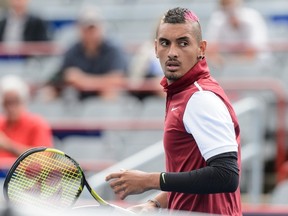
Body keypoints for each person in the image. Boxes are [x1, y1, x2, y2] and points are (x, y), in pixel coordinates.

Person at [105, 7, 241, 215]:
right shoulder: (182, 93)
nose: (172, 52)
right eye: (165, 43)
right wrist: (155, 203)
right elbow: (192, 174)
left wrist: (149, 180)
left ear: (201, 48)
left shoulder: (200, 98)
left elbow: (226, 176)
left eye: (183, 43)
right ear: (155, 47)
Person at [45, 7, 128, 101]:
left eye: (93, 29)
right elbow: (65, 75)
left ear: (101, 28)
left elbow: (117, 79)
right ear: (80, 30)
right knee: (49, 92)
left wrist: (83, 80)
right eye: (86, 29)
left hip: (103, 94)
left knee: (111, 92)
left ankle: (106, 115)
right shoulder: (72, 51)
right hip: (79, 94)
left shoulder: (113, 49)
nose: (90, 33)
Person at [0, 75, 53, 168]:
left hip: (26, 180)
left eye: (14, 102)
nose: (10, 108)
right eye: (7, 103)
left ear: (24, 101)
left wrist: (8, 145)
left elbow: (43, 160)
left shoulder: (38, 124)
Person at [205, 0, 270, 69]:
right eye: (225, 7)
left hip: (256, 66)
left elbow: (253, 52)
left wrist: (230, 61)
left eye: (231, 6)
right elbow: (210, 49)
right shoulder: (217, 18)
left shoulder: (252, 17)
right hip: (225, 67)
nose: (230, 10)